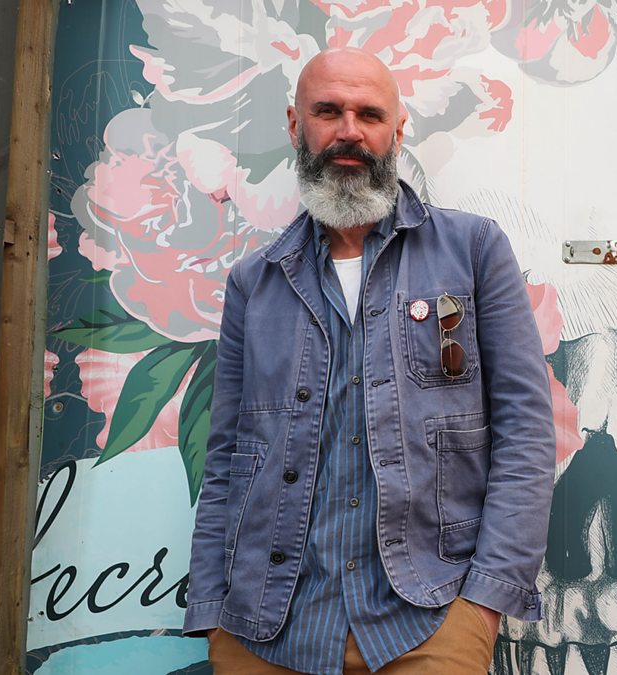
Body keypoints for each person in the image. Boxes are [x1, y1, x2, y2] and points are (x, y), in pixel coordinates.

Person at [182, 48, 556, 675]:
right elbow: (227, 455)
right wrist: (212, 606)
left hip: (431, 619)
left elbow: (526, 431)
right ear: (296, 125)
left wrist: (485, 601)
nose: (349, 131)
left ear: (397, 130)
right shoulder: (255, 281)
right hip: (265, 626)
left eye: (370, 114)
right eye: (328, 111)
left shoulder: (473, 250)